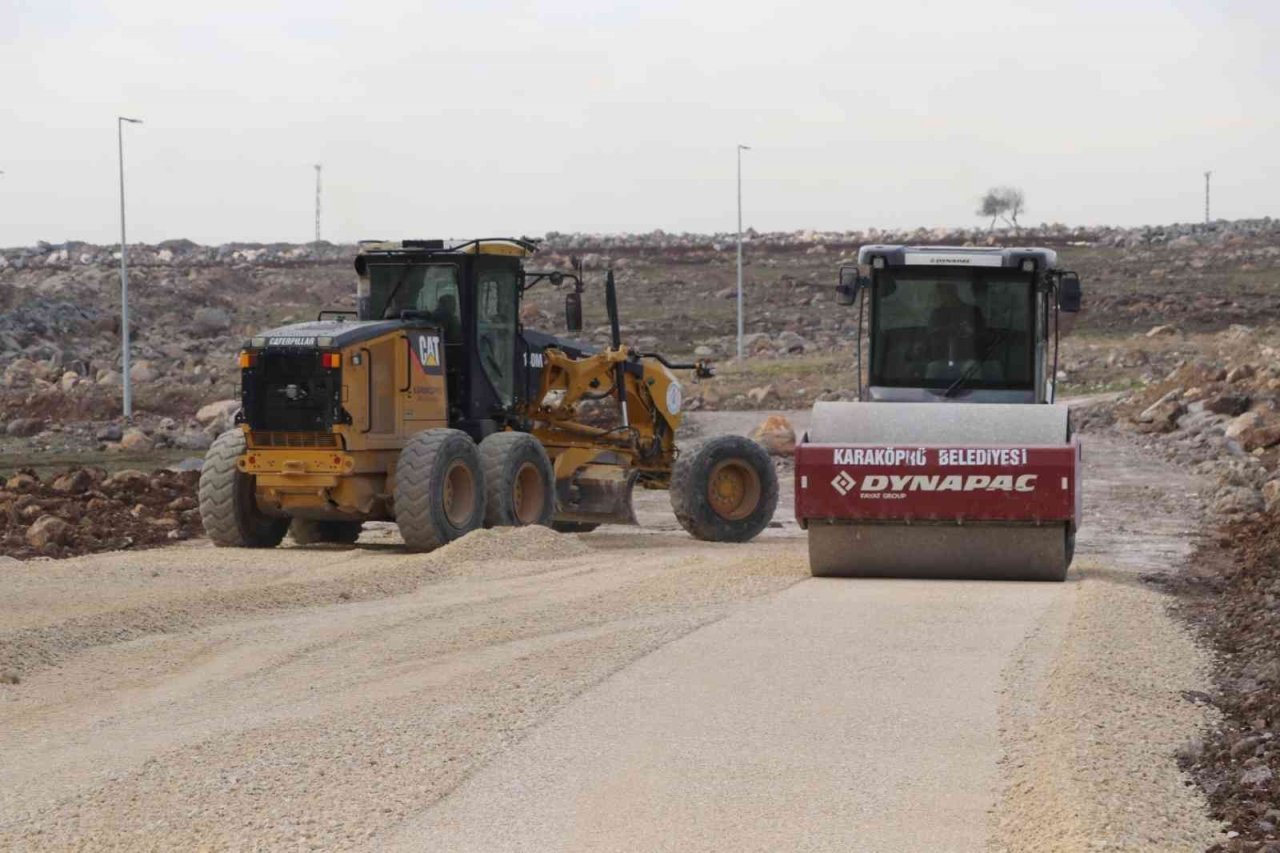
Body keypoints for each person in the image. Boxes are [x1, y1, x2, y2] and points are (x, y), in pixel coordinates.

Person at [927, 281, 985, 366]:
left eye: (947, 292)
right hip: (941, 359)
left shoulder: (973, 311)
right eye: (940, 293)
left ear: (954, 292)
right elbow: (931, 336)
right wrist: (945, 330)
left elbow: (982, 336)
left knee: (972, 367)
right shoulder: (936, 314)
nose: (942, 296)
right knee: (933, 368)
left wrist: (969, 331)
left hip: (968, 358)